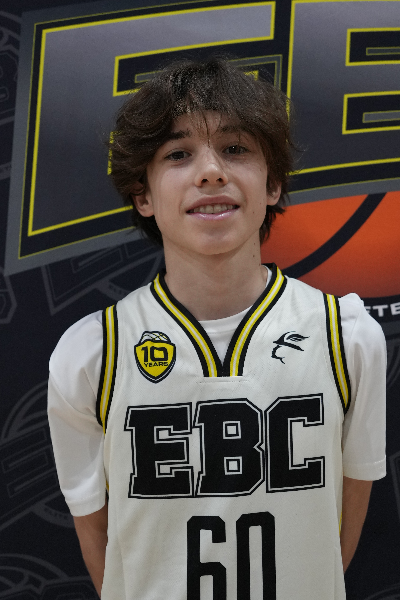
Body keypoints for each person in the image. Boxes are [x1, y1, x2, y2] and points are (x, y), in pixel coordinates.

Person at [48, 58, 386, 600]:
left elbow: (341, 527)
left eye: (235, 148)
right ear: (143, 195)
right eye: (178, 154)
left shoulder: (347, 338)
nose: (210, 171)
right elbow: (97, 536)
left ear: (273, 184)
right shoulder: (91, 353)